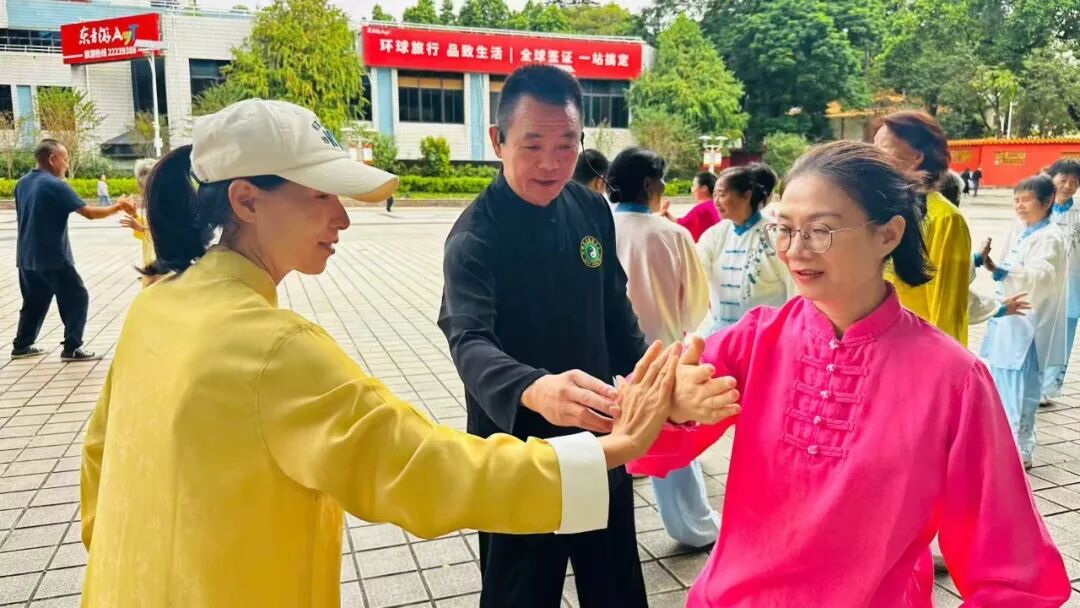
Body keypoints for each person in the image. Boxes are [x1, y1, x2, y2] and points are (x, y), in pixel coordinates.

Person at [79, 98, 687, 607]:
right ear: (246, 200)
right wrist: (614, 449)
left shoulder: (157, 306)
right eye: (322, 196)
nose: (342, 218)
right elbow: (423, 466)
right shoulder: (274, 350)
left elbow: (99, 466)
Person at [627, 140, 1071, 606]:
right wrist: (671, 407)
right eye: (785, 229)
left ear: (888, 235)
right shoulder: (754, 341)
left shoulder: (952, 379)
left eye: (820, 230)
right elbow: (640, 449)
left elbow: (1011, 570)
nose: (795, 250)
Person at [438, 66, 739, 608]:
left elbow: (616, 318)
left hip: (601, 440)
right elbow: (469, 341)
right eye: (533, 144)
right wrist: (533, 388)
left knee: (615, 584)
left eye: (566, 144)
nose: (551, 162)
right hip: (520, 451)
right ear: (498, 141)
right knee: (520, 591)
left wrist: (662, 382)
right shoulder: (475, 237)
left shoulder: (589, 208)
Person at [607, 147, 714, 548]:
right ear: (650, 184)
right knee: (671, 445)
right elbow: (696, 305)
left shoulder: (597, 226)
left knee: (608, 442)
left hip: (603, 356)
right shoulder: (671, 234)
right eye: (663, 181)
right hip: (660, 354)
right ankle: (694, 527)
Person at [11, 139, 133, 362]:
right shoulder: (54, 185)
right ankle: (72, 348)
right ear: (52, 159)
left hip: (26, 256)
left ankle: (22, 345)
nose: (66, 165)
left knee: (35, 300)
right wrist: (118, 206)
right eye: (65, 159)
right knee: (77, 296)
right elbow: (89, 213)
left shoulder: (22, 183)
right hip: (52, 256)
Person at [977, 175, 1068, 468]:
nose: (1019, 205)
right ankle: (1005, 443)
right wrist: (995, 267)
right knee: (1002, 384)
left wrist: (1003, 272)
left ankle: (1022, 449)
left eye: (1026, 199)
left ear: (1047, 201)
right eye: (1016, 199)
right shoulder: (1025, 231)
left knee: (1021, 390)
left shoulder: (1050, 236)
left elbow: (1043, 275)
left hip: (1029, 327)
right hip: (1010, 321)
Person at [874, 111, 971, 346]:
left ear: (916, 156)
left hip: (915, 347)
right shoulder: (880, 207)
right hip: (877, 342)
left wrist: (943, 364)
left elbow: (949, 310)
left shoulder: (945, 219)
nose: (873, 155)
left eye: (883, 148)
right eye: (873, 146)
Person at [697, 163, 794, 337]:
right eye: (715, 195)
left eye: (722, 194)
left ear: (746, 196)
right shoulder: (715, 235)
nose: (716, 202)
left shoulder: (774, 234)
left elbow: (794, 285)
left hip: (765, 334)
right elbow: (696, 272)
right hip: (721, 333)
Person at [1042, 158, 1080, 402]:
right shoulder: (1038, 209)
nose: (1067, 186)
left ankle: (1048, 387)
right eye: (1063, 180)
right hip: (1042, 287)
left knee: (1063, 338)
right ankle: (1033, 382)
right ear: (1052, 179)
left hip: (1072, 287)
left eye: (1074, 182)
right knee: (1039, 335)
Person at [118, 158, 161, 288]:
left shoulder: (165, 204)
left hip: (163, 270)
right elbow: (147, 229)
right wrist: (134, 215)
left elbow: (167, 232)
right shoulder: (153, 205)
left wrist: (141, 228)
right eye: (143, 187)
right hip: (152, 267)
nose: (143, 192)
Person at [660, 171, 721, 242]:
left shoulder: (701, 209)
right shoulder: (717, 205)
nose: (692, 189)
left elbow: (682, 226)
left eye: (694, 186)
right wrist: (667, 214)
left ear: (704, 188)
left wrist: (664, 213)